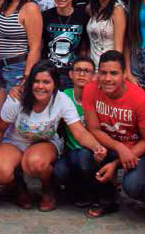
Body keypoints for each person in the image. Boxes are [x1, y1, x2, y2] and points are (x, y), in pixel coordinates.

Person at [0, 60, 106, 212]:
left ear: (55, 84)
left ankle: (48, 190)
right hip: (16, 141)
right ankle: (18, 187)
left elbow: (79, 132)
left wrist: (96, 147)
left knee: (35, 162)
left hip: (45, 142)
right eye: (36, 81)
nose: (40, 86)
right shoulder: (17, 99)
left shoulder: (62, 100)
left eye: (46, 82)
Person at [83, 50, 145, 218]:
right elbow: (93, 129)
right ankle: (107, 199)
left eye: (114, 73)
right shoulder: (90, 90)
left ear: (124, 75)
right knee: (84, 158)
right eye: (103, 73)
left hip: (137, 150)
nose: (107, 78)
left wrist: (116, 163)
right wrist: (118, 147)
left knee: (133, 186)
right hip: (110, 144)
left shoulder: (140, 99)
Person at [49, 57, 94, 209]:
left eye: (87, 71)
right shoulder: (63, 96)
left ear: (94, 76)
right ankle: (75, 190)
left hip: (93, 151)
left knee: (82, 158)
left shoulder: (98, 96)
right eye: (78, 70)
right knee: (58, 171)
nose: (82, 74)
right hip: (70, 151)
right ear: (71, 74)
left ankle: (93, 192)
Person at [41, 0, 89, 90]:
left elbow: (84, 48)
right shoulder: (44, 16)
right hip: (50, 73)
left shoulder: (83, 16)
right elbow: (40, 46)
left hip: (72, 75)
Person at [86, 0, 126, 68]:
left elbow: (118, 48)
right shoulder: (90, 9)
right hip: (92, 67)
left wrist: (112, 70)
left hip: (108, 68)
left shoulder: (117, 10)